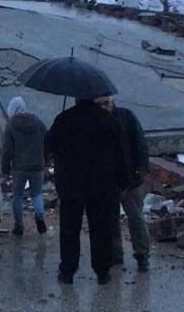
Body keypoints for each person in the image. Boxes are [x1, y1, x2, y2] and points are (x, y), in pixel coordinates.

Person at [46, 97, 128, 285]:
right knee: (101, 229)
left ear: (76, 98)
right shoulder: (109, 121)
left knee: (69, 229)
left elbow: (49, 145)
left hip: (70, 185)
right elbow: (120, 154)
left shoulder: (64, 119)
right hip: (101, 186)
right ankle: (102, 271)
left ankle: (67, 271)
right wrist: (123, 180)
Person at [98, 96, 151, 272]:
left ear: (111, 101)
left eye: (105, 102)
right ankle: (116, 254)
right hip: (109, 179)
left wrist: (141, 169)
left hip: (130, 179)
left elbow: (140, 143)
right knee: (111, 218)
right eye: (100, 104)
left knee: (135, 217)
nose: (104, 107)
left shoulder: (126, 117)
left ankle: (142, 255)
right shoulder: (97, 122)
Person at [1, 96, 48, 237]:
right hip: (37, 166)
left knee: (17, 196)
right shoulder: (38, 122)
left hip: (19, 168)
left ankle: (19, 227)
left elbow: (7, 149)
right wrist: (45, 157)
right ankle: (39, 217)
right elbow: (47, 139)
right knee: (37, 194)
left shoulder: (10, 126)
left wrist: (5, 169)